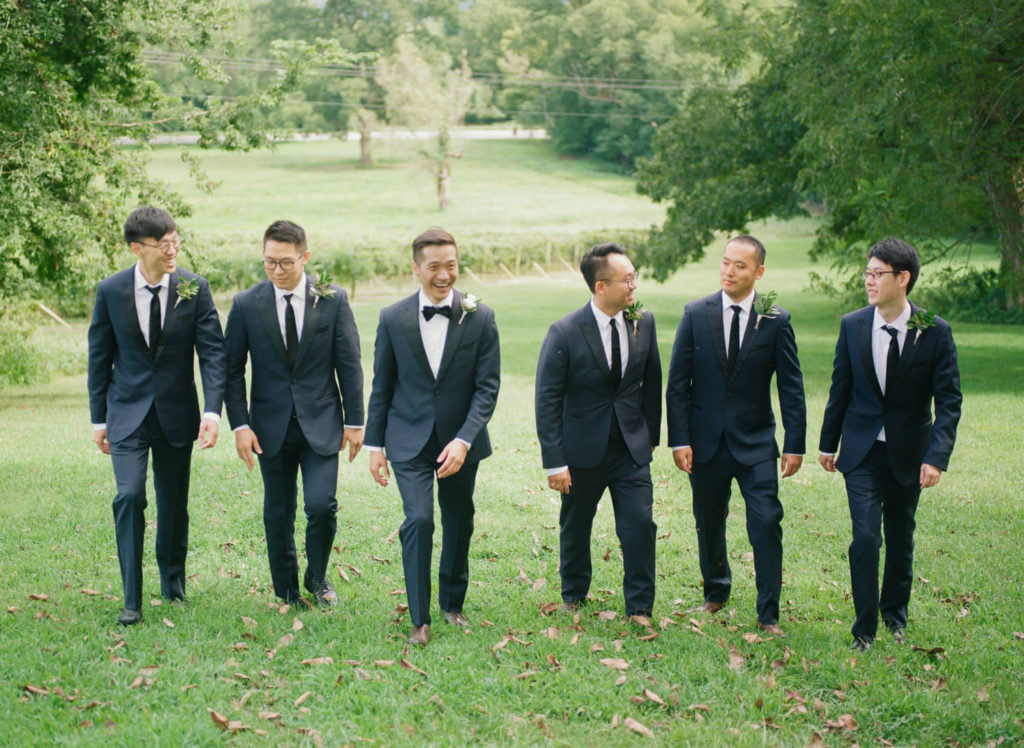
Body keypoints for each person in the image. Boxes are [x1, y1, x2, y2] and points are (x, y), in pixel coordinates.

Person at [819, 237, 961, 651]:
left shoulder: (934, 331)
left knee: (900, 537)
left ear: (903, 278)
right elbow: (839, 388)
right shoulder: (853, 324)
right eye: (867, 273)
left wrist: (936, 457)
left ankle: (894, 615)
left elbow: (949, 400)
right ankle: (864, 630)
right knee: (865, 538)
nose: (869, 280)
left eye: (877, 273)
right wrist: (828, 444)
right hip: (861, 451)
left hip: (909, 455)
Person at [88, 206, 226, 626]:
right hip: (126, 413)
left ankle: (173, 583)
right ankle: (132, 597)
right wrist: (99, 420)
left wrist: (211, 411)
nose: (172, 250)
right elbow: (100, 358)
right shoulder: (110, 291)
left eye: (176, 241)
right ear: (137, 247)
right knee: (129, 496)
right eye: (163, 244)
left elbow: (213, 353)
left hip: (177, 412)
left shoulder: (193, 288)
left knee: (173, 504)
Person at [366, 228, 500, 646]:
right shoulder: (392, 318)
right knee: (420, 519)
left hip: (462, 440)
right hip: (408, 438)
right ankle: (420, 620)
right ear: (416, 269)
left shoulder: (480, 315)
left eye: (452, 266)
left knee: (460, 522)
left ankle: (452, 604)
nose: (444, 275)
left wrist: (463, 440)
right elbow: (382, 385)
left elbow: (487, 387)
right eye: (435, 267)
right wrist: (374, 445)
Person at [666, 235, 806, 636]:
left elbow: (791, 387)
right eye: (725, 263)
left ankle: (768, 614)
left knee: (765, 520)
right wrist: (680, 439)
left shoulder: (776, 319)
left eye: (739, 265)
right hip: (705, 441)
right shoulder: (696, 313)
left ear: (759, 271)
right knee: (708, 521)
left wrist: (794, 444)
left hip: (757, 442)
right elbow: (678, 384)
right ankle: (716, 590)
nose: (729, 271)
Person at [224, 220, 364, 607]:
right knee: (277, 511)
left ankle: (318, 577)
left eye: (286, 263)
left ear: (305, 257)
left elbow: (349, 363)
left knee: (322, 505)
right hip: (268, 426)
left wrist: (355, 422)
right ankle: (285, 588)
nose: (277, 271)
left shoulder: (332, 299)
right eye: (269, 263)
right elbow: (231, 370)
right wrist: (240, 424)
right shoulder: (246, 304)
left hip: (322, 423)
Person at [535, 243, 662, 623]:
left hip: (630, 450)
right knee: (576, 524)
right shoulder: (564, 331)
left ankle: (639, 606)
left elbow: (652, 384)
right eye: (627, 280)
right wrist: (554, 461)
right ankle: (574, 594)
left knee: (640, 524)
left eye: (634, 277)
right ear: (600, 286)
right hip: (580, 452)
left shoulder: (644, 321)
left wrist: (650, 438)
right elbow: (547, 400)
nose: (633, 286)